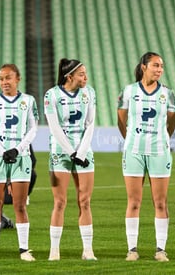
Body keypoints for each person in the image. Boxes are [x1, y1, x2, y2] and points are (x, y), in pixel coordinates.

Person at [117, 52, 175, 262]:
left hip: (160, 151)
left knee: (160, 202)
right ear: (144, 66)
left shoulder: (168, 94)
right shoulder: (128, 91)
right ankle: (132, 249)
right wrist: (132, 140)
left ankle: (161, 249)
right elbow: (121, 121)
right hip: (134, 151)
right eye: (155, 65)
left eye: (161, 66)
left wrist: (160, 140)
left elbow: (172, 123)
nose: (159, 69)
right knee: (134, 201)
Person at [0, 64, 39, 261]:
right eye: (1, 78)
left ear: (18, 79)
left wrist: (17, 149)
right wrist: (1, 150)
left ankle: (24, 249)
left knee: (20, 205)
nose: (4, 82)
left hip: (21, 158)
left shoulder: (28, 101)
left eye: (8, 78)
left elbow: (32, 129)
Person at [44, 58, 97, 261]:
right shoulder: (52, 95)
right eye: (82, 74)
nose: (86, 77)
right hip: (60, 152)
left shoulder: (89, 92)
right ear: (70, 76)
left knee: (84, 201)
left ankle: (88, 250)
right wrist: (71, 152)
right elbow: (54, 127)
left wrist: (81, 152)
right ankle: (54, 250)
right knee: (60, 202)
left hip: (84, 153)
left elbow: (91, 124)